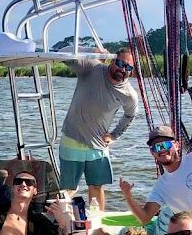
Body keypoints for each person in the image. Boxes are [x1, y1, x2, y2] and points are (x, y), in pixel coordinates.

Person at [59, 47, 139, 212]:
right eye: (120, 63)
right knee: (67, 189)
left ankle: (97, 226)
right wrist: (90, 50)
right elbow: (62, 53)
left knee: (96, 187)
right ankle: (64, 226)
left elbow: (130, 115)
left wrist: (115, 135)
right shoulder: (92, 66)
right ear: (111, 60)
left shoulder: (129, 94)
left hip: (98, 146)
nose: (123, 69)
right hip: (72, 140)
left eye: (128, 67)